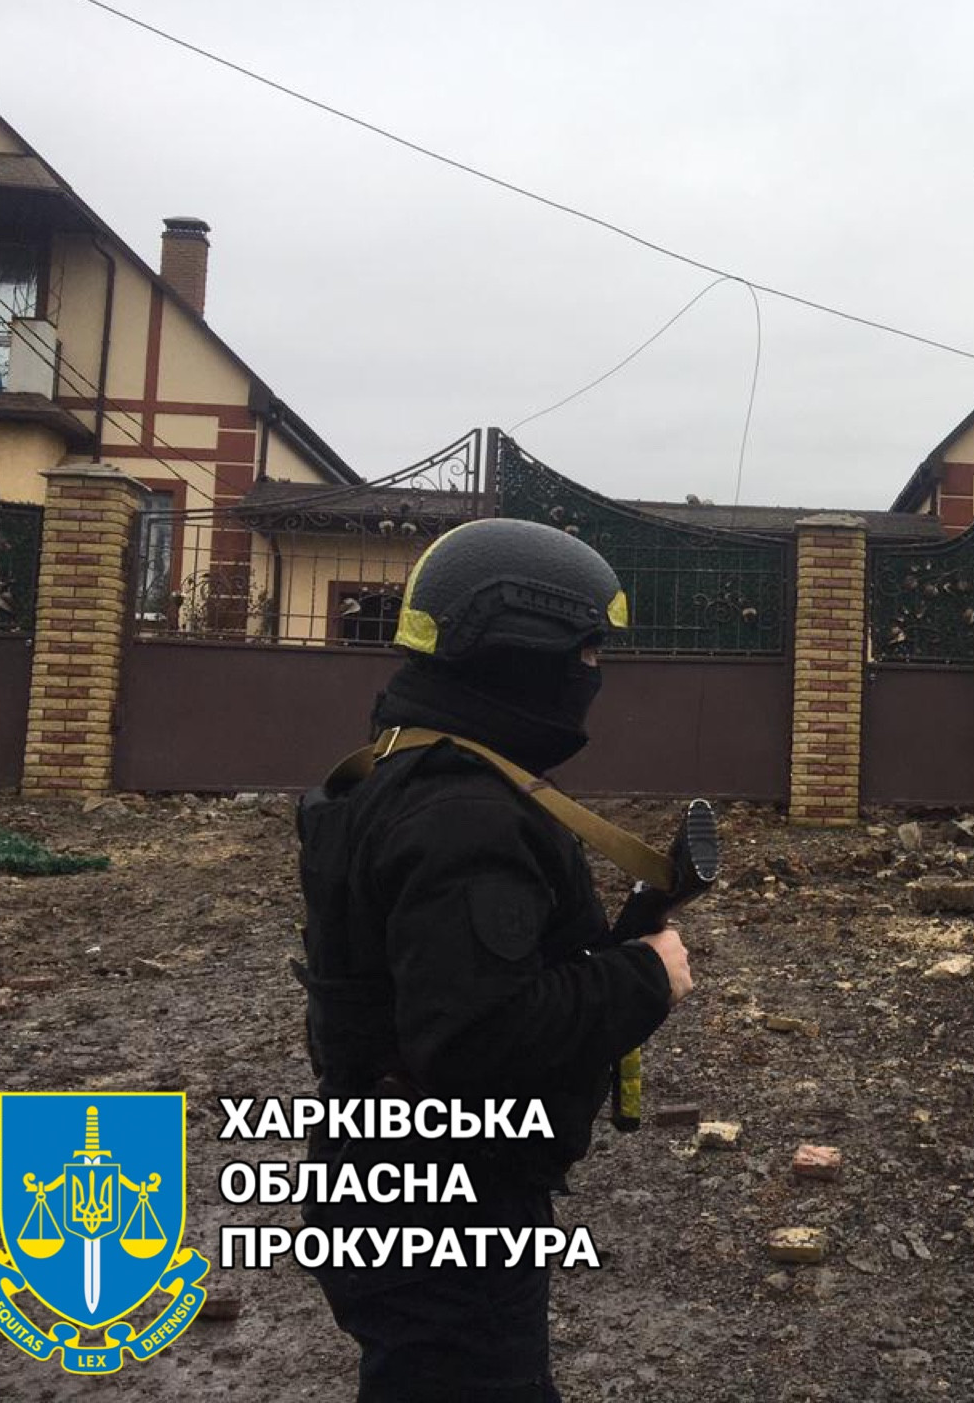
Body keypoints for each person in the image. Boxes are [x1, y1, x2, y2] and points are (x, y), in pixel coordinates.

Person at [295, 518, 693, 1403]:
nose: (594, 671)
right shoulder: (464, 813)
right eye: (586, 650)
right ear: (520, 645)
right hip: (441, 1206)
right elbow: (479, 1035)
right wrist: (647, 976)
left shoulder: (399, 766)